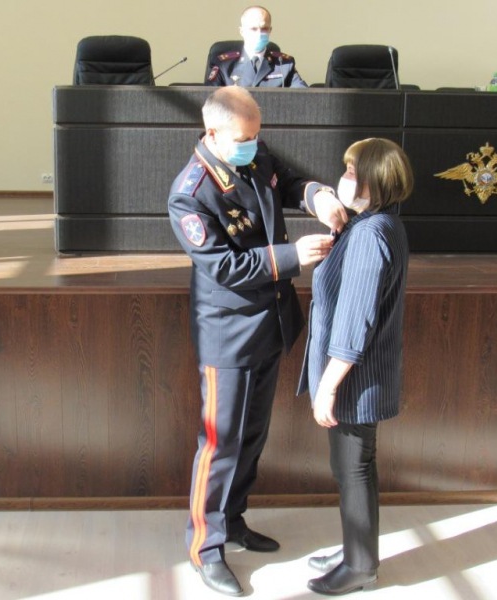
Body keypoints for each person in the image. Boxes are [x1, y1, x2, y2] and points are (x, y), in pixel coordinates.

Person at [168, 86, 348, 596]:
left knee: (252, 437)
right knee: (220, 444)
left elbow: (286, 180)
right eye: (245, 138)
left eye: (256, 135)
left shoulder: (251, 152)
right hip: (228, 334)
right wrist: (292, 257)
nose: (254, 144)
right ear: (213, 133)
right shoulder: (190, 192)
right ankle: (204, 548)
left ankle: (233, 520)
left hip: (269, 323)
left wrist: (318, 195)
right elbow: (224, 266)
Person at [298, 138, 414, 596]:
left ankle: (361, 566)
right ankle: (355, 551)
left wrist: (328, 387)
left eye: (351, 172)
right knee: (355, 468)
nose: (343, 179)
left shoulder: (369, 234)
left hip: (352, 381)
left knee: (354, 470)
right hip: (361, 375)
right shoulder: (378, 224)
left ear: (375, 180)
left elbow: (354, 322)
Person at [206, 5, 308, 88]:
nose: (259, 33)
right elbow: (210, 97)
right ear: (242, 31)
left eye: (264, 28)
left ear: (270, 30)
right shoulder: (224, 64)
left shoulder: (284, 64)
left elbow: (303, 95)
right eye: (253, 29)